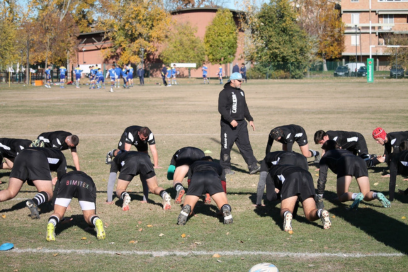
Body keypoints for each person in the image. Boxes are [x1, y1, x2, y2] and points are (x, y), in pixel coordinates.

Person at [316, 140, 391, 209]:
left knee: (342, 196)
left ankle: (356, 196)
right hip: (360, 160)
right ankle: (376, 195)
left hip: (345, 162)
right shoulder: (344, 151)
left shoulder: (325, 156)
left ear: (325, 149)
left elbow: (322, 178)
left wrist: (319, 195)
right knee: (366, 194)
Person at [0, 147, 67, 219]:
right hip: (37, 156)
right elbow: (61, 182)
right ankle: (34, 202)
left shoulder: (48, 152)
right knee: (49, 193)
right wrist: (62, 204)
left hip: (22, 154)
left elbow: (31, 181)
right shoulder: (62, 158)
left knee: (10, 191)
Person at [265, 164, 332, 231]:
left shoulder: (270, 173)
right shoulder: (289, 166)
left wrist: (280, 194)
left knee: (286, 209)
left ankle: (286, 214)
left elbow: (270, 197)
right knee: (309, 213)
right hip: (306, 175)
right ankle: (321, 212)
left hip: (292, 177)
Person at [218, 72, 260, 175]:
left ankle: (252, 166)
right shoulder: (224, 92)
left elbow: (244, 107)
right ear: (232, 81)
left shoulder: (241, 92)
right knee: (226, 146)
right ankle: (225, 168)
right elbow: (221, 108)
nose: (241, 82)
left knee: (246, 145)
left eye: (242, 80)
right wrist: (230, 120)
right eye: (239, 80)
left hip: (241, 124)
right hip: (228, 125)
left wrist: (250, 119)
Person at [46, 171, 106, 241]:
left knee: (58, 213)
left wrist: (61, 219)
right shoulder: (89, 178)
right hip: (85, 181)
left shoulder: (63, 177)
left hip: (67, 180)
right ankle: (96, 221)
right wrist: (91, 225)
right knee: (90, 215)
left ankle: (51, 223)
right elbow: (93, 200)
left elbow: (55, 198)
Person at [106, 151, 171, 210]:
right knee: (154, 188)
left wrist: (109, 200)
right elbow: (144, 178)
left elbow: (111, 180)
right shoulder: (134, 153)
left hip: (130, 161)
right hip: (145, 158)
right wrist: (145, 199)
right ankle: (164, 194)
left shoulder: (116, 159)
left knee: (120, 189)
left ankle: (125, 195)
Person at [177, 156, 232, 225]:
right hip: (212, 177)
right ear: (212, 162)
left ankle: (188, 209)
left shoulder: (194, 164)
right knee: (224, 205)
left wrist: (191, 192)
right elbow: (223, 183)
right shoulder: (218, 165)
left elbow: (189, 181)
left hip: (197, 178)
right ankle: (225, 208)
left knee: (189, 206)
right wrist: (223, 197)